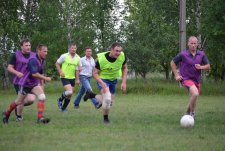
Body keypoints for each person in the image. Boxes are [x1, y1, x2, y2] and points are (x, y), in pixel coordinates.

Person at [2, 44, 51, 124]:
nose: (46, 53)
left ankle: (40, 118)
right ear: (39, 51)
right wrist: (46, 78)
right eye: (44, 51)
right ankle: (6, 114)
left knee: (42, 97)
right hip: (25, 84)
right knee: (18, 102)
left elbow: (40, 73)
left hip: (34, 84)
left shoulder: (41, 59)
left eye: (46, 51)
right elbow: (34, 74)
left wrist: (42, 85)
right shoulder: (33, 60)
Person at [83, 42, 128, 124]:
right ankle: (106, 119)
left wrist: (124, 82)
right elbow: (95, 73)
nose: (118, 53)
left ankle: (91, 95)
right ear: (111, 49)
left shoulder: (122, 56)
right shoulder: (101, 59)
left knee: (109, 102)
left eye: (119, 51)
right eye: (116, 51)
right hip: (103, 79)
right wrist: (102, 83)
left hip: (113, 80)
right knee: (107, 99)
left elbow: (125, 68)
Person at [170, 36, 210, 119]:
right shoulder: (183, 54)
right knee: (195, 94)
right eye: (191, 43)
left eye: (195, 43)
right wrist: (177, 75)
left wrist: (201, 67)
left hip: (196, 80)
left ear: (197, 44)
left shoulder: (201, 54)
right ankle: (192, 113)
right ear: (188, 44)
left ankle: (187, 114)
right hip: (185, 79)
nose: (193, 45)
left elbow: (208, 66)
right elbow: (172, 62)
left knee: (194, 97)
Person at [7, 39, 36, 121]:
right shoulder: (15, 55)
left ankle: (15, 105)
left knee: (31, 99)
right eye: (26, 45)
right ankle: (19, 117)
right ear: (21, 46)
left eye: (29, 45)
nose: (28, 47)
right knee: (21, 100)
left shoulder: (34, 55)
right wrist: (17, 73)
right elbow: (9, 68)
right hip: (19, 82)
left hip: (30, 81)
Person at [56, 42, 81, 112]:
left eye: (75, 48)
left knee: (70, 95)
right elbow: (57, 63)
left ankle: (63, 108)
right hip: (65, 77)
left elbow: (77, 69)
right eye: (72, 48)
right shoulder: (64, 56)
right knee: (69, 91)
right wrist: (60, 72)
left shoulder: (78, 57)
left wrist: (78, 79)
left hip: (72, 78)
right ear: (69, 49)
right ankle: (60, 99)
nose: (74, 49)